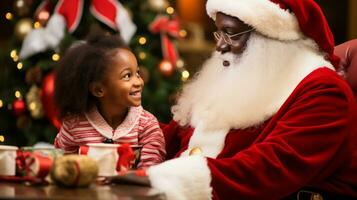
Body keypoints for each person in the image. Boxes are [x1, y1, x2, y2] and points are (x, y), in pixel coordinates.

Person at [135, 0, 357, 199]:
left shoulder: (325, 92)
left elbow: (270, 169)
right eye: (218, 33)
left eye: (230, 33)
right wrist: (118, 134)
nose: (220, 46)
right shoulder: (243, 75)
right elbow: (173, 136)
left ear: (273, 36)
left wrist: (168, 180)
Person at [53, 33, 166, 169]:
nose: (139, 82)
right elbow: (61, 166)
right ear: (98, 90)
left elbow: (149, 172)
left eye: (137, 73)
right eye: (127, 76)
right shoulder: (74, 125)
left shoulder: (147, 125)